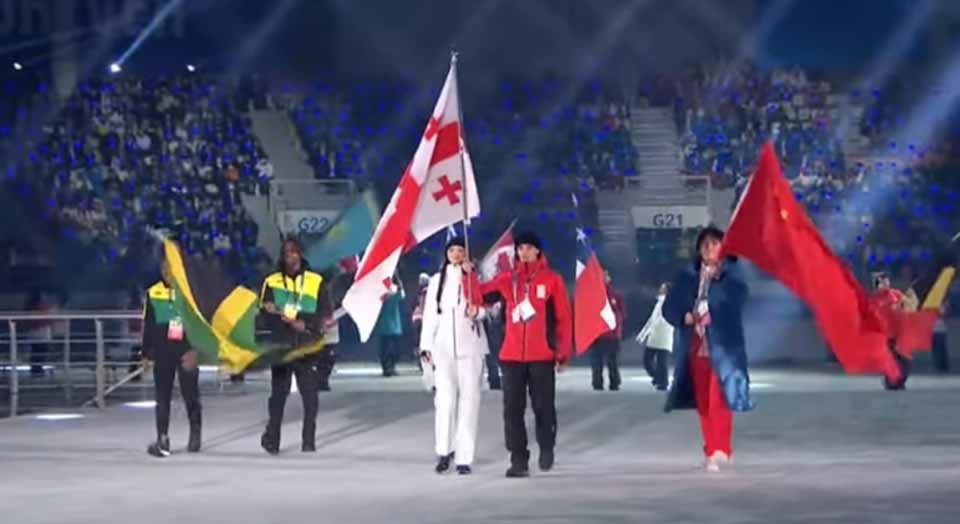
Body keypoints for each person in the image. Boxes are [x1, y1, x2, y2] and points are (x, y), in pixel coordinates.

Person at [472, 231, 573, 478]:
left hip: (542, 355)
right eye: (520, 248)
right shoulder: (508, 279)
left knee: (543, 407)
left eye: (528, 248)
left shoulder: (552, 280)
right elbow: (477, 295)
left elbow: (563, 318)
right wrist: (468, 275)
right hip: (512, 356)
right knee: (512, 411)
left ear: (538, 251)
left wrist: (562, 352)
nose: (523, 252)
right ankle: (518, 459)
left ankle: (546, 447)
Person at [662, 226, 752, 472]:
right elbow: (669, 308)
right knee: (703, 401)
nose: (710, 248)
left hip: (723, 347)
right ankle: (712, 448)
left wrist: (716, 286)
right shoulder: (688, 275)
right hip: (695, 346)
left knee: (718, 399)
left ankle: (720, 448)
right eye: (705, 245)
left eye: (714, 244)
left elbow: (740, 299)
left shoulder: (732, 275)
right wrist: (685, 317)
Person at [419, 236, 488, 475]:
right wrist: (426, 346)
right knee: (445, 401)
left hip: (470, 347)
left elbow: (490, 309)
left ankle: (464, 456)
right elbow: (430, 316)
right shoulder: (437, 281)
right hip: (443, 347)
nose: (456, 254)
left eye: (461, 250)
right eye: (453, 250)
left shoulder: (476, 279)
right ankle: (443, 451)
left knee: (469, 401)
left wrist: (477, 311)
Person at [259, 238, 331, 454]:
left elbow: (324, 314)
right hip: (281, 347)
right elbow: (263, 315)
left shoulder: (315, 281)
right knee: (278, 397)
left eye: (293, 251)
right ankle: (273, 439)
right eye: (286, 252)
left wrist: (306, 325)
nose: (289, 256)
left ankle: (308, 441)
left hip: (306, 347)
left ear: (300, 254)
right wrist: (270, 311)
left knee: (309, 396)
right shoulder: (271, 282)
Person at [143, 262, 202, 458]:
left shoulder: (187, 291)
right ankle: (163, 438)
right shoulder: (153, 292)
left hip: (186, 352)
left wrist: (196, 349)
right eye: (165, 269)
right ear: (161, 270)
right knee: (162, 399)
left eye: (172, 269)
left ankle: (195, 434)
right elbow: (148, 324)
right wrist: (146, 354)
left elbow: (199, 323)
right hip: (163, 353)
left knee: (191, 395)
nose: (168, 273)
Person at [870, 272, 910, 390]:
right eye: (881, 282)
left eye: (886, 280)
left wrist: (902, 306)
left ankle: (900, 381)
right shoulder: (875, 300)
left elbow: (908, 305)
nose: (885, 283)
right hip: (886, 335)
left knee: (904, 360)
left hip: (900, 333)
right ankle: (890, 382)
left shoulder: (896, 294)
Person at [589, 271, 627, 391]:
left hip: (612, 335)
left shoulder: (615, 296)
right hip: (596, 335)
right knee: (596, 362)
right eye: (601, 276)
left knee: (612, 361)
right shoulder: (592, 296)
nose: (603, 278)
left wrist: (615, 322)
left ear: (609, 278)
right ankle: (597, 383)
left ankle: (614, 383)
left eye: (605, 276)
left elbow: (622, 313)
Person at [637, 282, 674, 391]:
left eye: (662, 288)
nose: (660, 289)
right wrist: (643, 335)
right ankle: (658, 378)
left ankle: (663, 382)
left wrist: (646, 333)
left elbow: (660, 320)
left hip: (664, 335)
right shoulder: (659, 302)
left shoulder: (670, 303)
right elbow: (651, 320)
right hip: (654, 335)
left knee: (662, 361)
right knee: (647, 360)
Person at [373, 275, 405, 377]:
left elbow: (401, 294)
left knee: (387, 349)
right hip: (390, 326)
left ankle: (388, 368)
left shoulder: (384, 295)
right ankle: (388, 368)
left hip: (388, 326)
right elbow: (402, 294)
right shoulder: (391, 295)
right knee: (389, 349)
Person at [932, 302, 950, 374]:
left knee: (942, 349)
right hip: (933, 329)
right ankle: (938, 366)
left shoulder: (943, 305)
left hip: (941, 330)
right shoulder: (931, 304)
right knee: (936, 349)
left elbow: (944, 315)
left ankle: (943, 366)